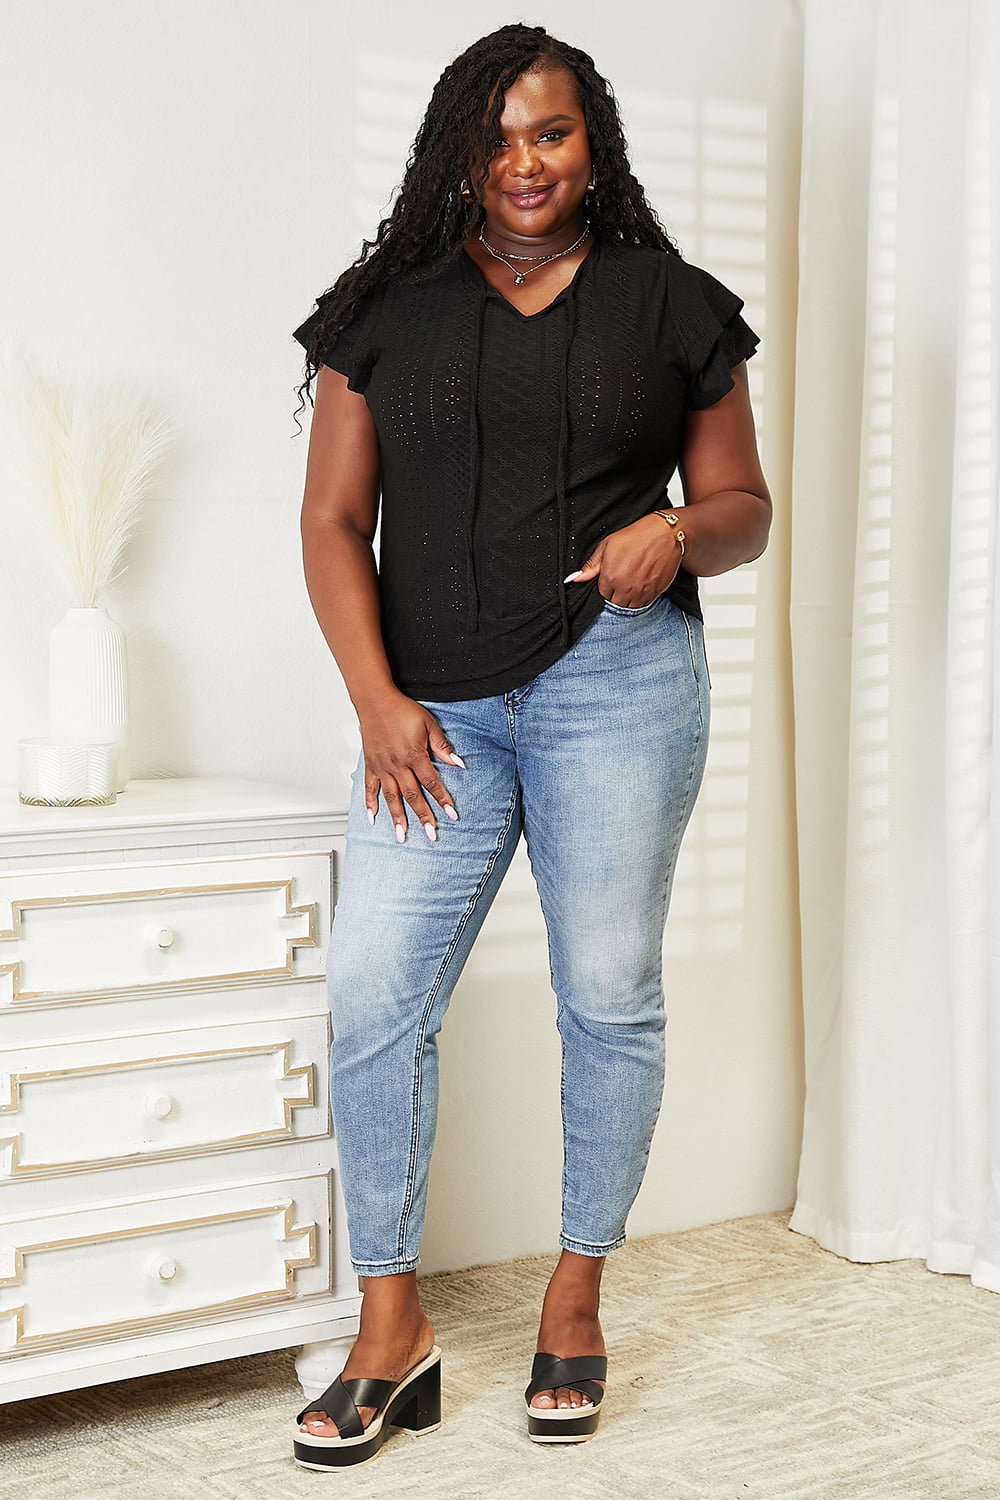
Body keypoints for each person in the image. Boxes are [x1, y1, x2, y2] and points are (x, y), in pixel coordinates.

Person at [290, 22, 770, 1471]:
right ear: (457, 148)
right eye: (497, 137)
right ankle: (392, 1329)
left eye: (549, 134)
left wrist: (673, 531)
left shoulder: (670, 303)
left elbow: (743, 504)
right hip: (429, 715)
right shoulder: (387, 308)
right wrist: (377, 702)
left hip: (616, 685)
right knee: (374, 991)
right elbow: (330, 522)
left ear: (592, 143)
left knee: (606, 991)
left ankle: (577, 1292)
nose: (523, 164)